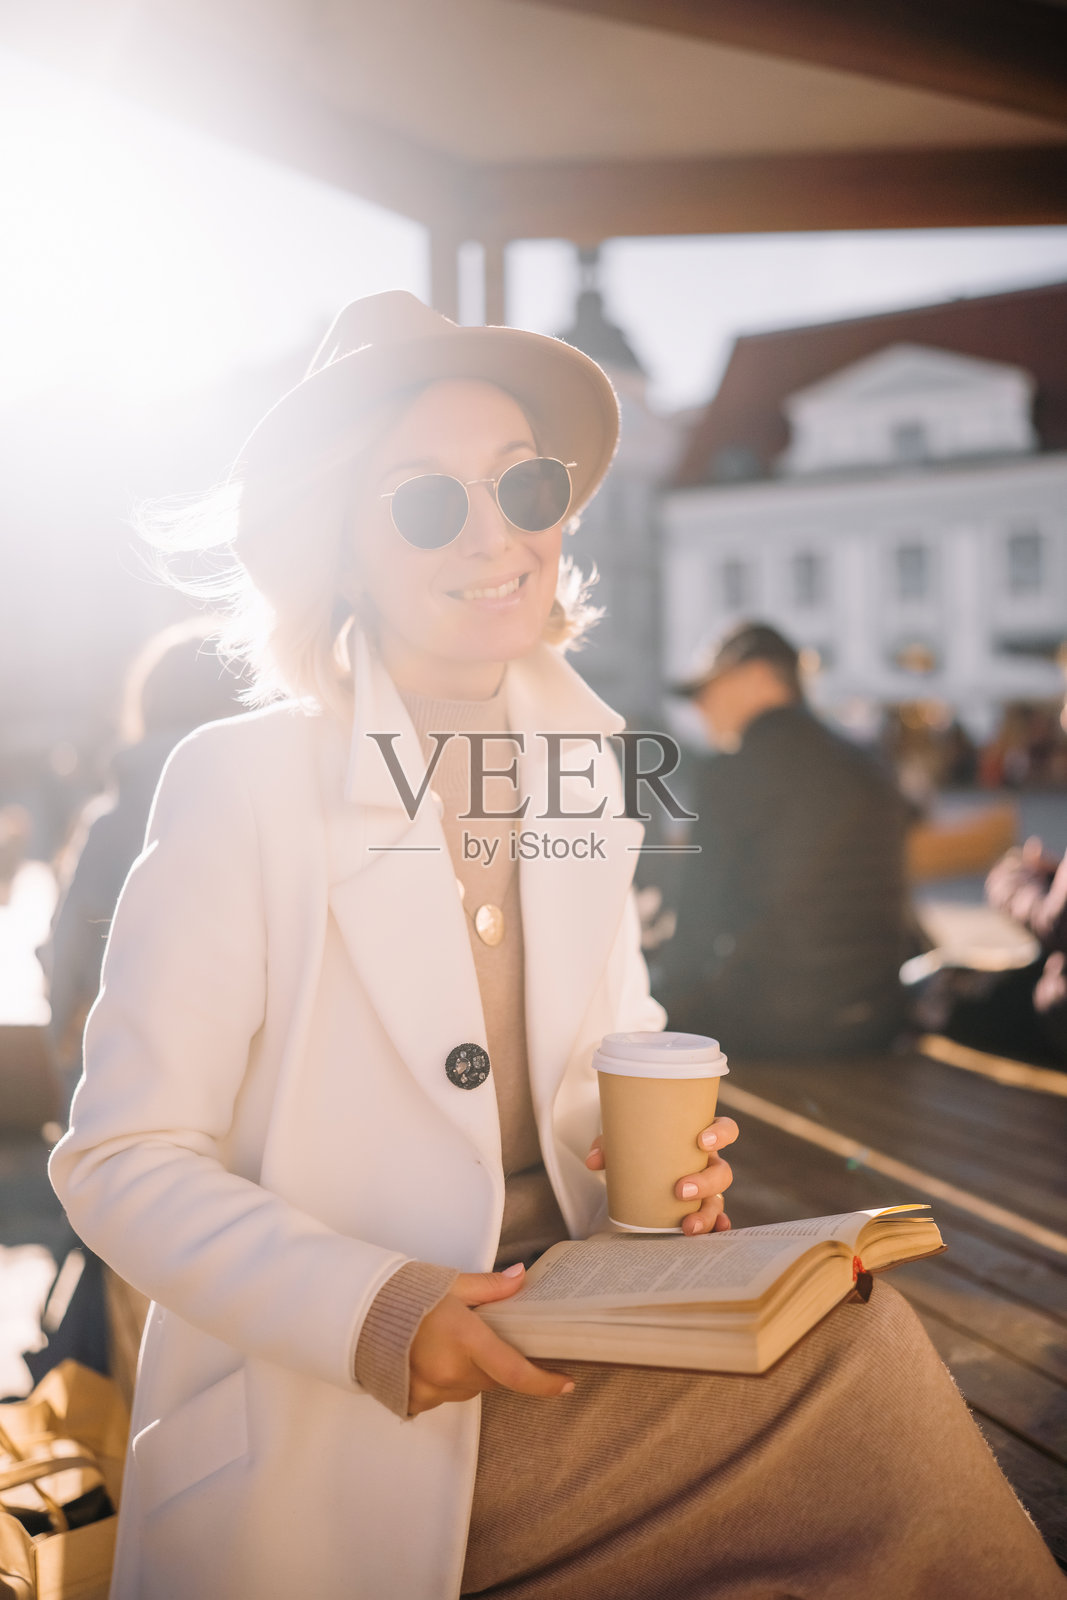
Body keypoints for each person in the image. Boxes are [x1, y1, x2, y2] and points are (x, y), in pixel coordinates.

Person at [49, 294, 1062, 1599]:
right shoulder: (237, 780)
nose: (495, 537)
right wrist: (374, 1307)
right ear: (341, 546)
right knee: (860, 1393)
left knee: (853, 1339)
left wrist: (659, 1177)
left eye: (523, 487)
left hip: (571, 1333)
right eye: (426, 502)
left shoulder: (583, 762)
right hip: (349, 1422)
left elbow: (606, 1060)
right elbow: (118, 1160)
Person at [657, 623, 916, 1058]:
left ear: (758, 676)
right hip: (874, 1021)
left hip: (773, 1027)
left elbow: (695, 927)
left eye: (706, 691)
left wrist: (665, 1010)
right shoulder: (869, 765)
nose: (700, 709)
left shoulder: (732, 773)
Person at [43, 618, 246, 1104]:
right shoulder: (278, 800)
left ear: (148, 705)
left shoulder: (110, 821)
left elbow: (68, 950)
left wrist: (57, 1056)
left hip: (136, 1068)